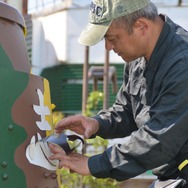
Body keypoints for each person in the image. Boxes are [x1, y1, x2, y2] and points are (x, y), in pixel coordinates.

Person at [49, 0, 188, 187]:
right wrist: (98, 123)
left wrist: (94, 164)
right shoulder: (138, 58)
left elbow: (159, 138)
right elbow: (128, 111)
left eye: (112, 38)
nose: (107, 47)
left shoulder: (182, 63)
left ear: (141, 26)